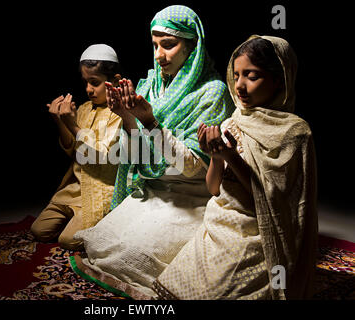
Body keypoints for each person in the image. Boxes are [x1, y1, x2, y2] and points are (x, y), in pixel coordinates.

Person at [70, 5, 234, 299]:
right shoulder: (151, 87)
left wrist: (149, 120)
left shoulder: (213, 92)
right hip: (155, 190)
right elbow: (138, 159)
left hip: (191, 197)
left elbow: (195, 168)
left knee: (135, 259)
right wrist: (126, 116)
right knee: (100, 243)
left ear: (193, 45)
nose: (159, 55)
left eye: (169, 45)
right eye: (155, 45)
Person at [153, 36, 318, 300]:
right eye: (237, 75)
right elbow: (213, 188)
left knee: (217, 292)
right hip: (219, 223)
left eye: (252, 76)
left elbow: (274, 203)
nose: (239, 85)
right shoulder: (233, 122)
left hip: (257, 233)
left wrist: (232, 156)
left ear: (279, 79)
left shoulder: (294, 133)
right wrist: (216, 158)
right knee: (178, 287)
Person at [31, 44, 123, 250]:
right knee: (39, 231)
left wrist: (73, 125)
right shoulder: (83, 108)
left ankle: (105, 222)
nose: (89, 89)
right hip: (76, 188)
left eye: (95, 83)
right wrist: (60, 122)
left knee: (68, 240)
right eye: (85, 82)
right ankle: (75, 216)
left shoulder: (120, 113)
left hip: (101, 189)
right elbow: (73, 151)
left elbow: (103, 155)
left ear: (115, 81)